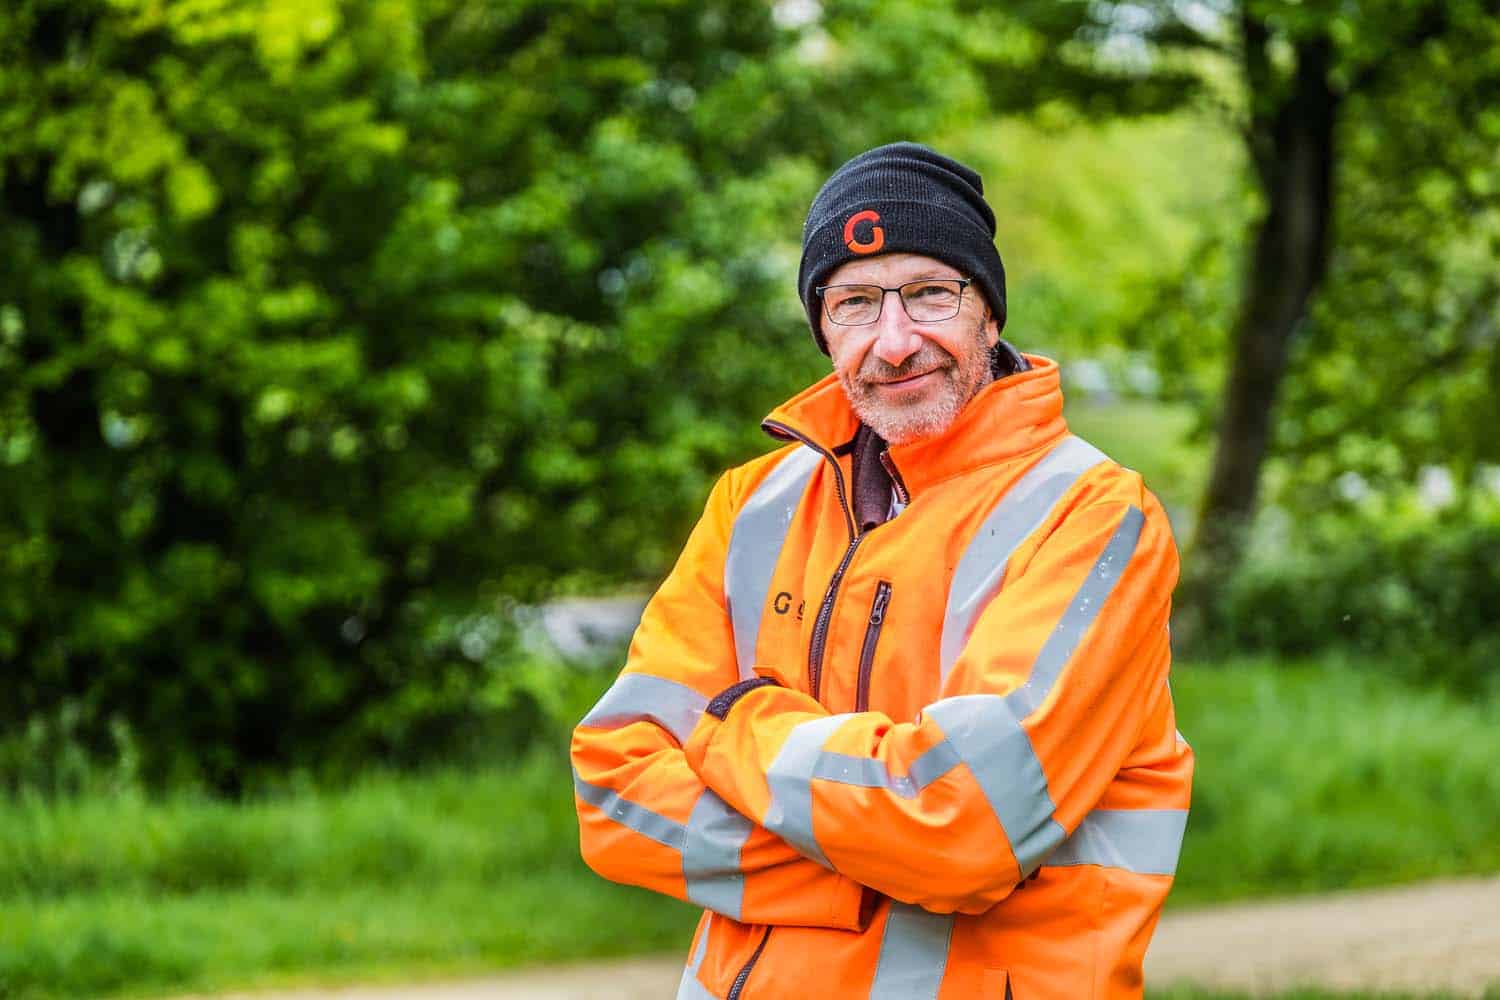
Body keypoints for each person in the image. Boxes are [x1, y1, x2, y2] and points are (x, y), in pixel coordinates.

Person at [570, 142, 1193, 1000]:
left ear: (991, 315)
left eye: (931, 293)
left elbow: (963, 826)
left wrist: (734, 723)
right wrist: (867, 863)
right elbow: (613, 794)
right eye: (856, 302)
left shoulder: (1093, 518)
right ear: (823, 327)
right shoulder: (753, 505)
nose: (895, 343)